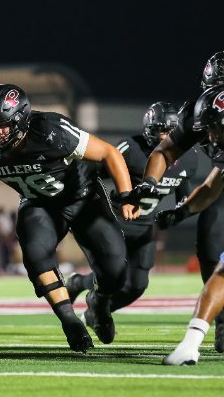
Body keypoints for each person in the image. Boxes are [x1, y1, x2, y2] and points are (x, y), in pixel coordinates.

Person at [0, 83, 139, 353]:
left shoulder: (49, 130)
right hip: (39, 204)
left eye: (3, 125)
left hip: (83, 199)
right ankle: (69, 320)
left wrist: (127, 194)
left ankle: (100, 301)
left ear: (22, 119)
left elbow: (109, 153)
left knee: (116, 273)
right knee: (36, 256)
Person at [128, 51, 224, 353]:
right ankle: (223, 316)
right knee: (211, 240)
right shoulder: (202, 113)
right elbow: (168, 154)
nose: (210, 135)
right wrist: (152, 186)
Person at [66, 102, 197, 321]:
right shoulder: (131, 149)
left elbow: (184, 192)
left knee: (137, 285)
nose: (166, 137)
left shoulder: (188, 158)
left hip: (145, 224)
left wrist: (179, 211)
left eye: (171, 131)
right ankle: (79, 283)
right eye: (162, 131)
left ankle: (96, 312)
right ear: (150, 130)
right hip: (116, 220)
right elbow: (93, 173)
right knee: (113, 274)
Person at [162, 84, 224, 365]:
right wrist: (183, 211)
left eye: (215, 129)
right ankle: (190, 345)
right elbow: (212, 186)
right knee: (223, 269)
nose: (210, 137)